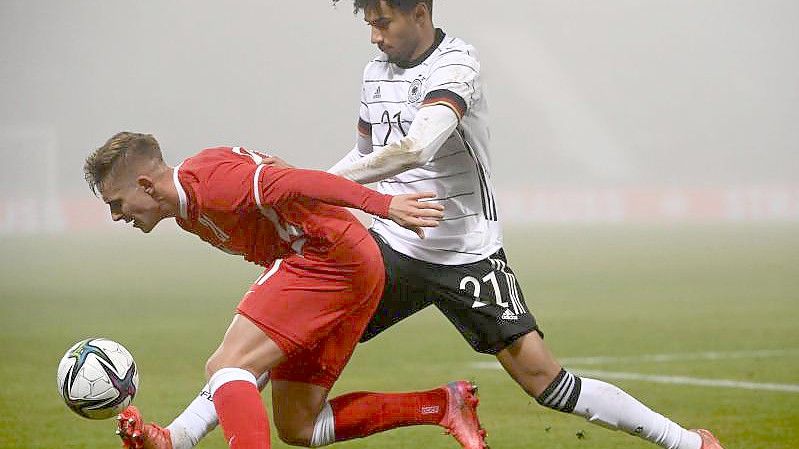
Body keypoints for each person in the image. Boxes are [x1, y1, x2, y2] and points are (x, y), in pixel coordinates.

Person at [117, 1, 727, 449]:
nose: (375, 35)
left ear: (422, 11)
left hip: (466, 253)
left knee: (545, 381)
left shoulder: (459, 64)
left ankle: (687, 442)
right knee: (275, 359)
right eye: (368, 23)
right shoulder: (372, 73)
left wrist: (312, 182)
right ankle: (179, 436)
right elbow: (364, 154)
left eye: (383, 21)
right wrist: (319, 190)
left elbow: (415, 147)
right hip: (385, 249)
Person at [84, 131, 489, 449]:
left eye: (116, 202)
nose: (116, 215)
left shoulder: (210, 184)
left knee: (229, 365)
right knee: (300, 425)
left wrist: (384, 206)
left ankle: (177, 439)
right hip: (350, 266)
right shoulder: (189, 207)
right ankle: (442, 404)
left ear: (144, 185)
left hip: (327, 256)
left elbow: (298, 181)